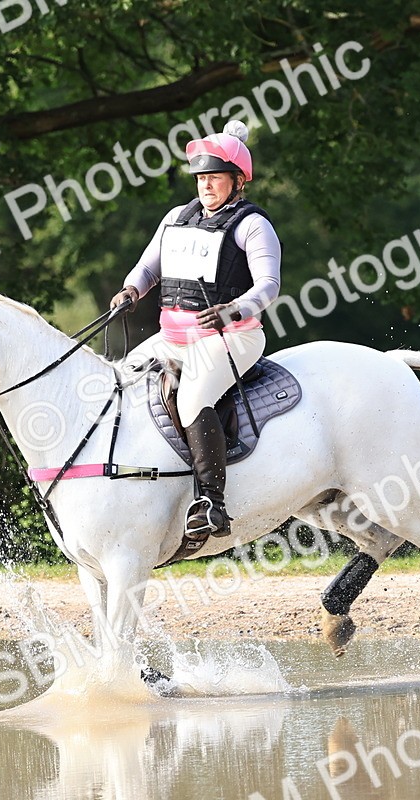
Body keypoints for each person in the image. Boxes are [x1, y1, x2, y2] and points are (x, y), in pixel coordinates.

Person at [110, 120, 282, 538]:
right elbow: (149, 267)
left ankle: (212, 504)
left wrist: (232, 311)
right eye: (201, 178)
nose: (206, 185)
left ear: (238, 181)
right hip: (173, 339)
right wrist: (132, 290)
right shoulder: (176, 218)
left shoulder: (252, 225)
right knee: (120, 381)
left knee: (191, 398)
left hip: (233, 337)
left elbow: (269, 285)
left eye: (215, 177)